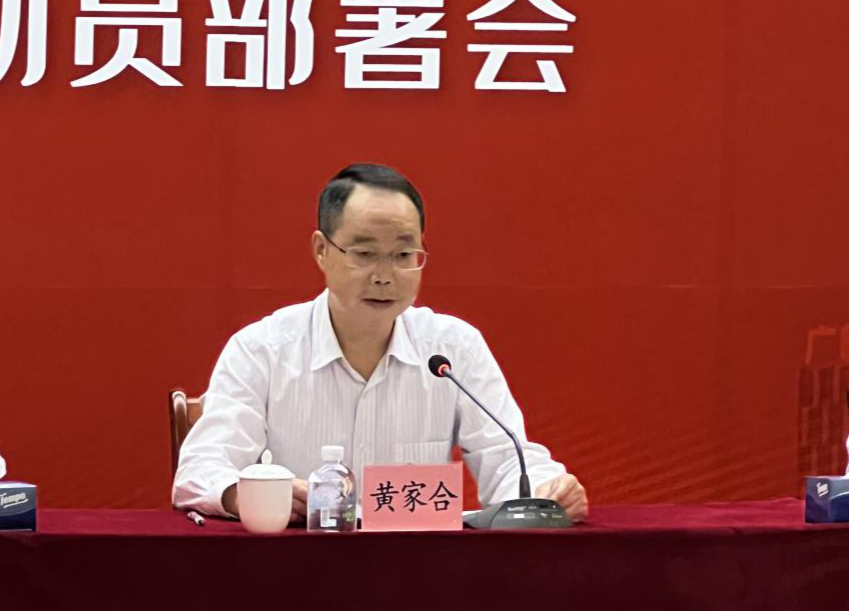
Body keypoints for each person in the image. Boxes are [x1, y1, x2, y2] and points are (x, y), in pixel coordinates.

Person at [173, 163, 588, 523]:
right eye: (365, 254)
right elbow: (201, 470)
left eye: (403, 255)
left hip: (420, 572)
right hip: (294, 572)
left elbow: (509, 460)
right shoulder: (261, 350)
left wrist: (547, 491)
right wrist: (251, 493)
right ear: (322, 251)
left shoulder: (454, 350)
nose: (385, 276)